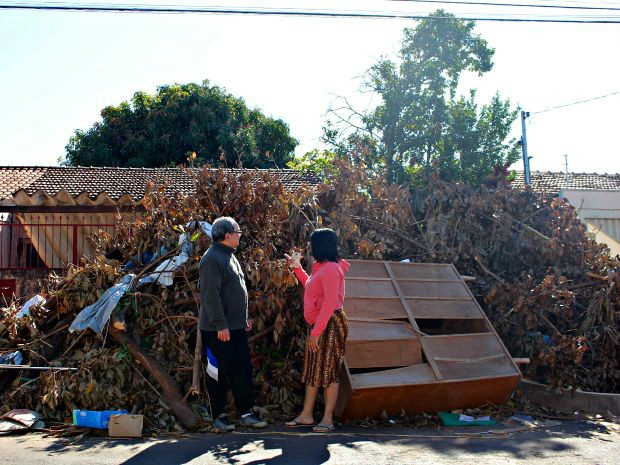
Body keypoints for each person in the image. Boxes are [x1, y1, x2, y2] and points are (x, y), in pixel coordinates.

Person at [199, 216, 267, 431]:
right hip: (217, 330)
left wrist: (244, 317)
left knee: (241, 370)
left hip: (235, 327)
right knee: (216, 372)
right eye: (238, 233)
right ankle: (218, 415)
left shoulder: (230, 256)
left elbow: (238, 290)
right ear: (227, 236)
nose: (240, 236)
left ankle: (246, 412)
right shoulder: (212, 259)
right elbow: (210, 296)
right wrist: (220, 325)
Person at [284, 228, 349, 432]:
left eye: (312, 244)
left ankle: (327, 419)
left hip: (330, 323)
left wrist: (316, 332)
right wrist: (296, 268)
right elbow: (310, 285)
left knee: (329, 370)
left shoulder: (331, 269)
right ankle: (306, 415)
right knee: (313, 368)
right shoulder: (319, 266)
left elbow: (330, 303)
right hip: (321, 324)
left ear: (320, 245)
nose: (310, 248)